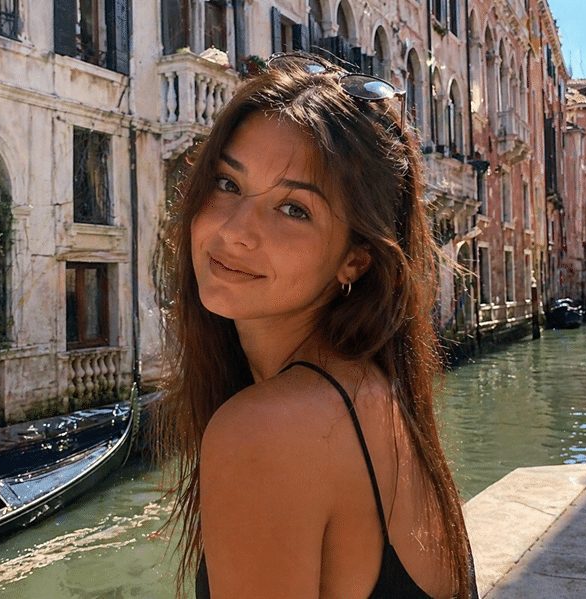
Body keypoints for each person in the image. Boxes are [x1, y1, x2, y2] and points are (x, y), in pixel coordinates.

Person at [156, 52, 478, 599]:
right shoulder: (372, 389)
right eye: (228, 184)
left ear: (356, 259)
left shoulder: (268, 431)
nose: (235, 231)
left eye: (294, 210)